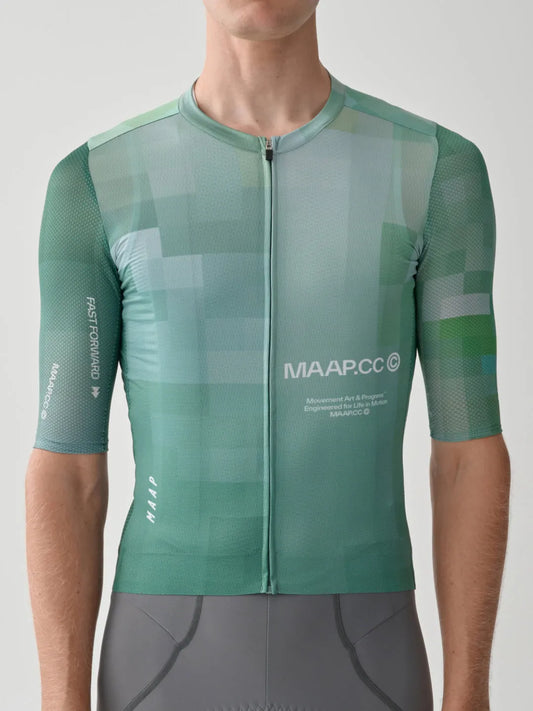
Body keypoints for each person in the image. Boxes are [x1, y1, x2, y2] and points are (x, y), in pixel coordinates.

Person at [25, 1, 511, 710]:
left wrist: (470, 694)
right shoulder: (97, 183)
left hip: (368, 656)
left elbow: (468, 454)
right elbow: (67, 468)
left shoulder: (435, 173)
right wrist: (59, 699)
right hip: (160, 659)